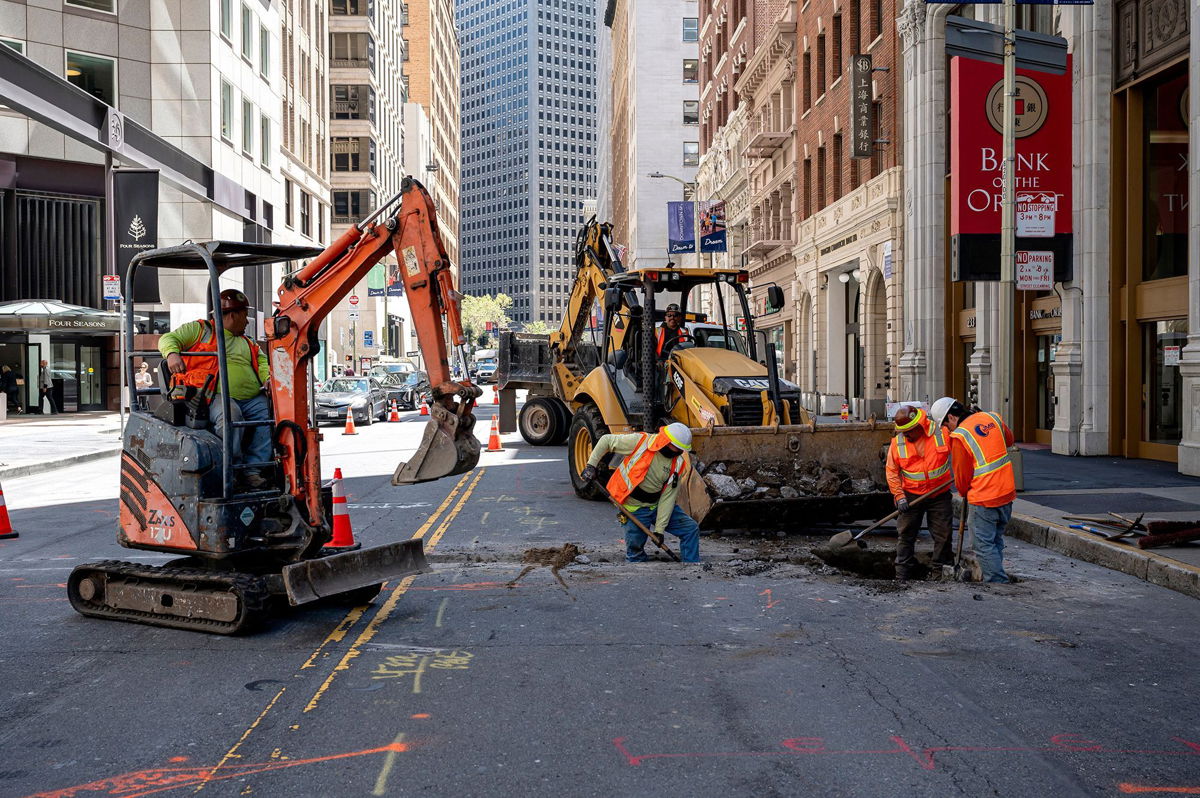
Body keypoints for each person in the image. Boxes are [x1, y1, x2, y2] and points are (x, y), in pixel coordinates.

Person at [159, 288, 272, 488]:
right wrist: (172, 354)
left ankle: (254, 469)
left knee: (270, 414)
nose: (247, 322)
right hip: (211, 395)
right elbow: (168, 339)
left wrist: (268, 379)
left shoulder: (248, 342)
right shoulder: (200, 330)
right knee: (231, 415)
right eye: (245, 316)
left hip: (252, 398)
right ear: (233, 315)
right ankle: (232, 469)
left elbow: (262, 364)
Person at [580, 422, 701, 563]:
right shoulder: (641, 442)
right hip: (633, 507)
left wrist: (659, 530)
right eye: (677, 448)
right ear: (665, 441)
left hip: (656, 505)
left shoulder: (678, 463)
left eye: (682, 450)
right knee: (635, 549)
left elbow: (668, 498)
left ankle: (691, 566)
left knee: (690, 529)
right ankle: (637, 573)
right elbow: (606, 440)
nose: (679, 452)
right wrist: (591, 466)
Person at [930, 396, 1017, 583]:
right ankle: (993, 574)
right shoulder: (992, 418)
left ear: (951, 418)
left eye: (945, 425)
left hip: (984, 497)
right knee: (995, 540)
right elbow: (1009, 440)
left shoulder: (960, 436)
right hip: (1006, 493)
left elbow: (962, 477)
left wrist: (963, 493)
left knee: (983, 544)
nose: (947, 429)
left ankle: (997, 582)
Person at [885, 404, 954, 580]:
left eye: (908, 431)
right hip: (911, 495)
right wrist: (899, 497)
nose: (904, 435)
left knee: (943, 535)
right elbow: (892, 472)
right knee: (906, 535)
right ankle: (902, 574)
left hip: (939, 494)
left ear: (919, 426)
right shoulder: (898, 443)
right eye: (902, 431)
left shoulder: (942, 434)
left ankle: (939, 573)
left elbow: (962, 450)